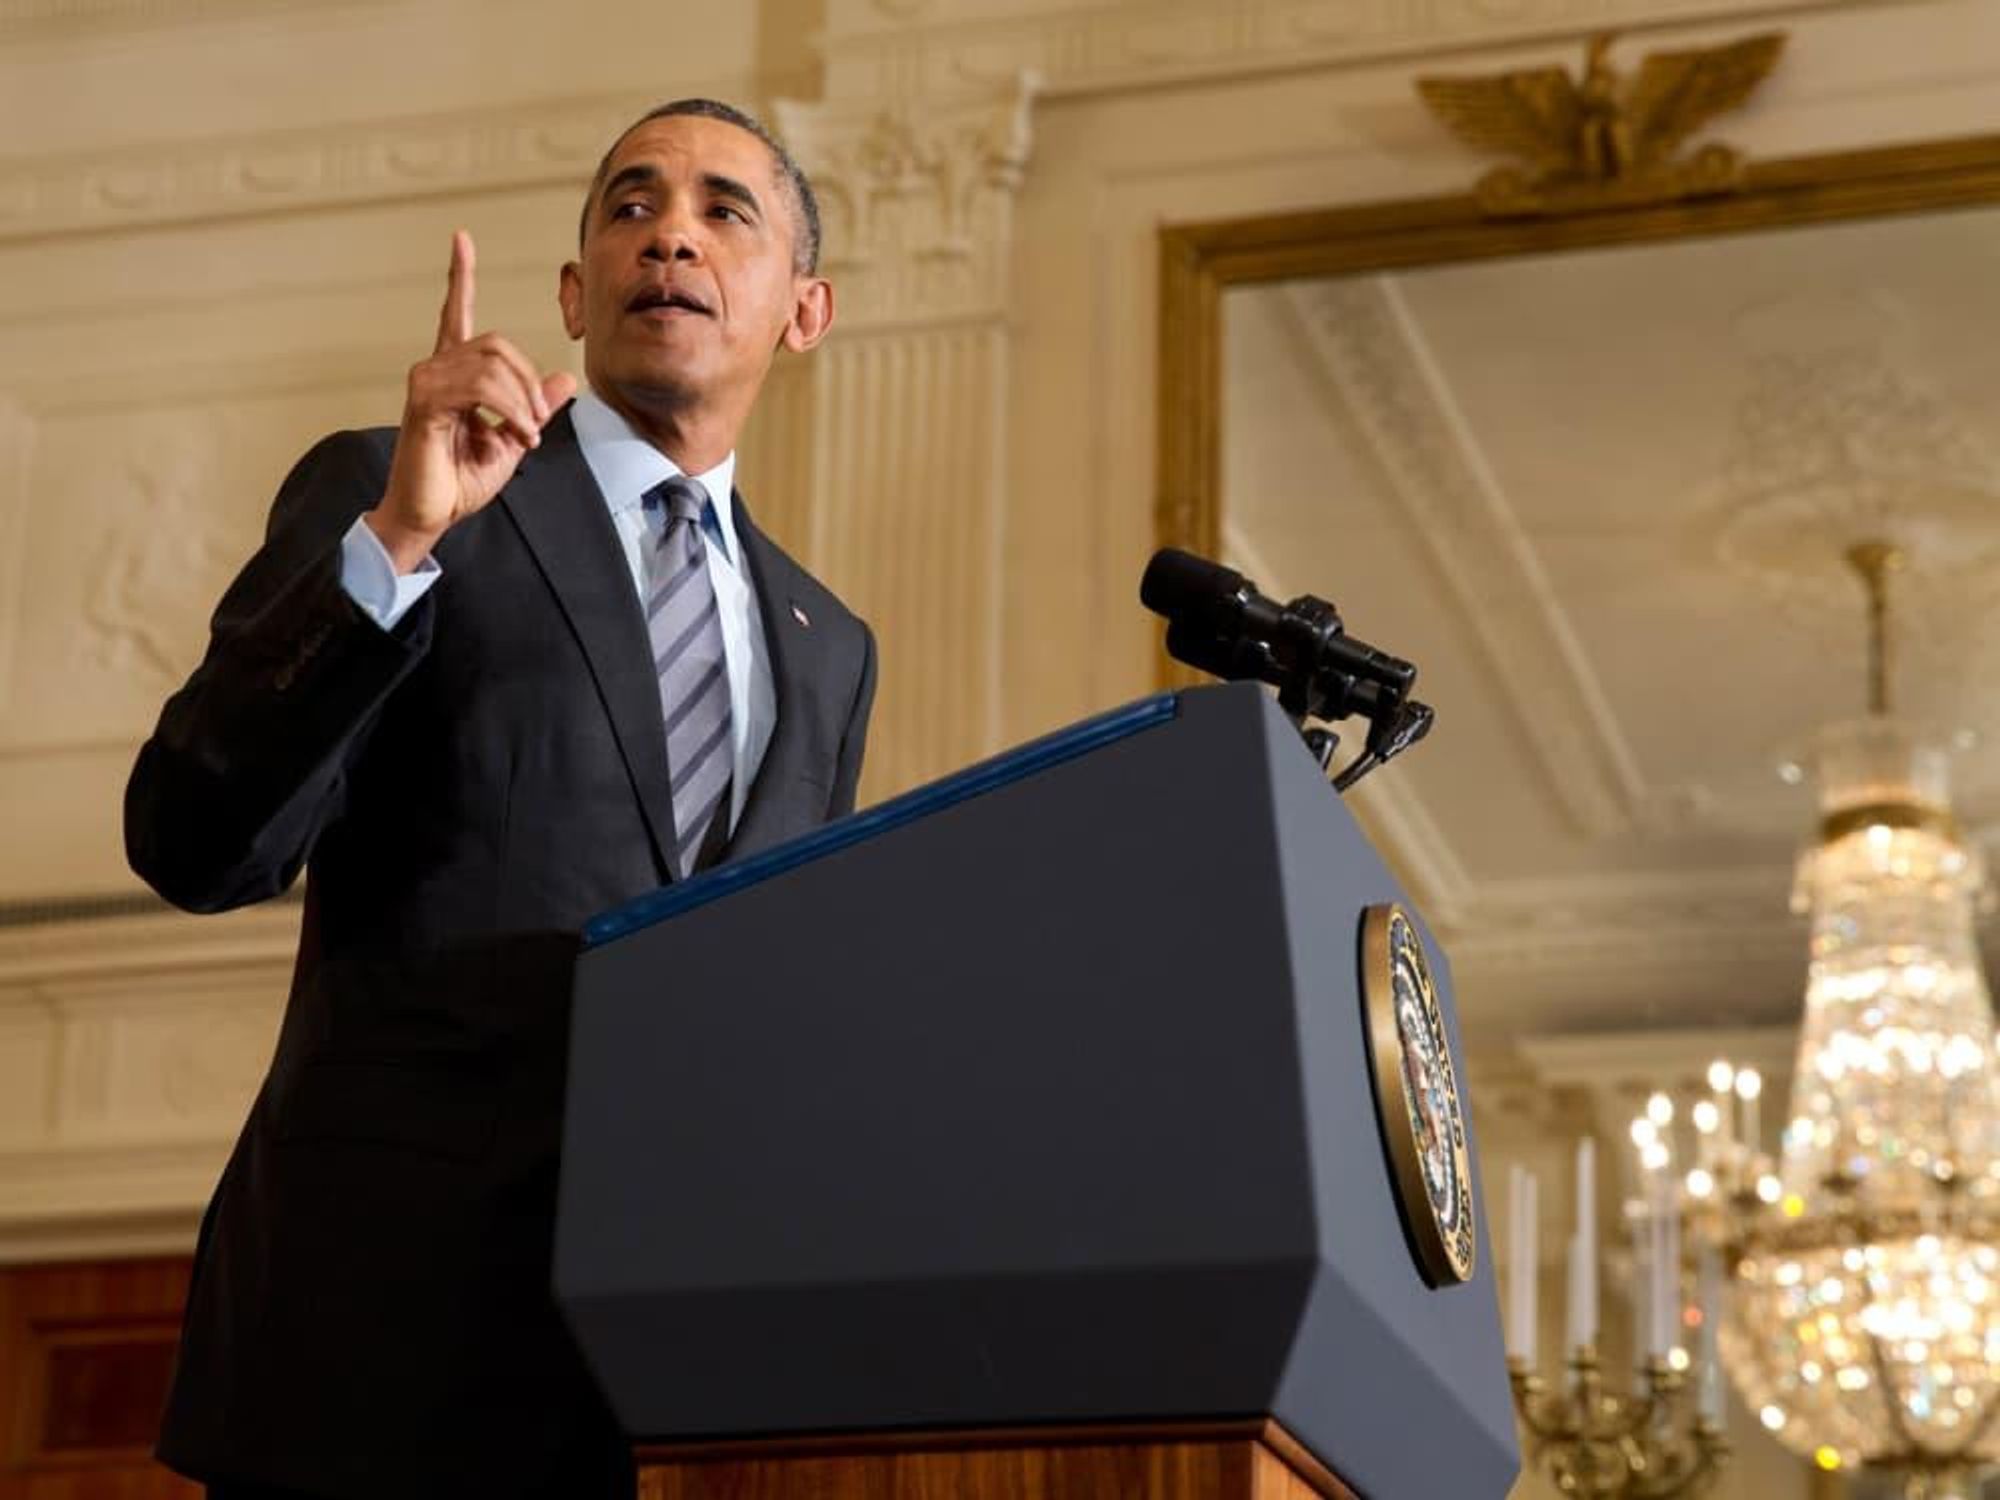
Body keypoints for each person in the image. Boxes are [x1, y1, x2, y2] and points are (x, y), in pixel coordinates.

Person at [125, 98, 877, 1500]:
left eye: (727, 212)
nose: (673, 236)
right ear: (576, 292)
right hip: (383, 1341)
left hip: (668, 1385)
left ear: (805, 309)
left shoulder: (828, 648)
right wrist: (402, 543)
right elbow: (192, 840)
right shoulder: (406, 486)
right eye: (631, 206)